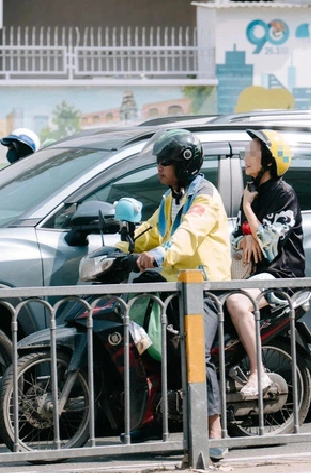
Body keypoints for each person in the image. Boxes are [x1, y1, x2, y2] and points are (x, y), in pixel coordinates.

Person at [120, 128, 231, 460]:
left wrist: (156, 255)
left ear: (184, 164)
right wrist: (120, 246)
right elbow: (152, 231)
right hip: (175, 286)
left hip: (203, 288)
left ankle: (214, 430)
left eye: (165, 162)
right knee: (152, 351)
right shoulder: (172, 198)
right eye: (158, 162)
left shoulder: (205, 198)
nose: (159, 168)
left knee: (199, 356)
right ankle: (156, 418)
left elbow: (185, 237)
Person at [226, 129, 305, 397]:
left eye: (252, 152)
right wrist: (247, 239)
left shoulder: (284, 193)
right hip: (253, 277)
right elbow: (236, 238)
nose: (245, 157)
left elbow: (270, 247)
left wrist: (248, 210)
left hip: (280, 275)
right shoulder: (252, 191)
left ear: (269, 160)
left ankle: (258, 372)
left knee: (236, 302)